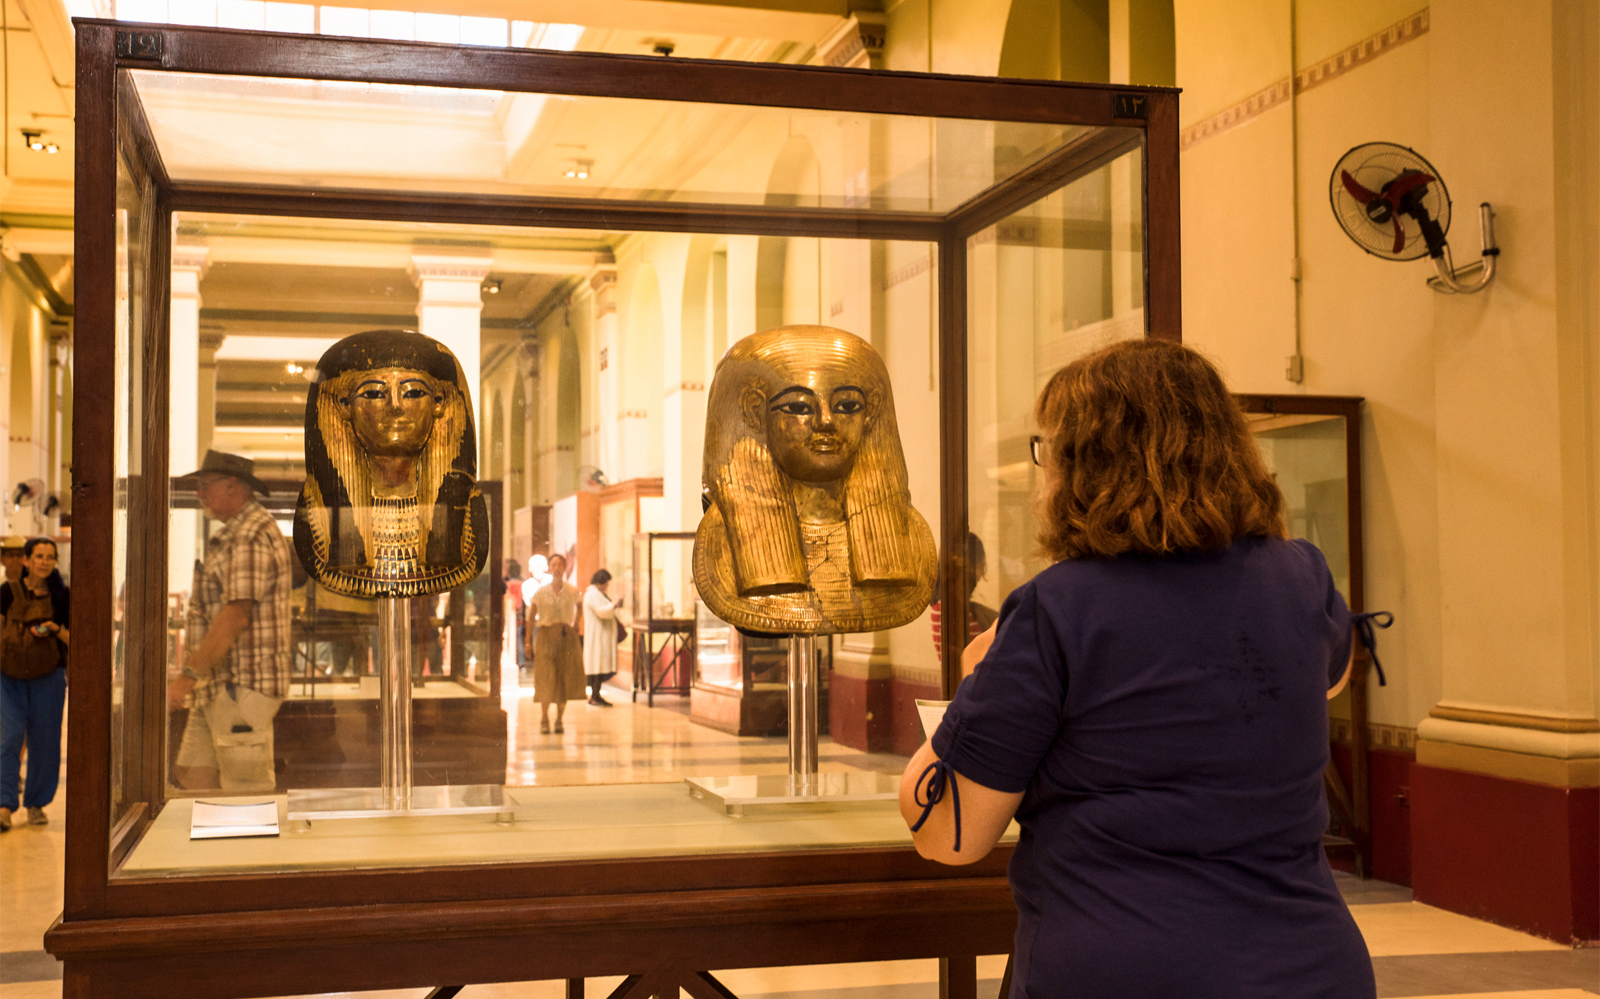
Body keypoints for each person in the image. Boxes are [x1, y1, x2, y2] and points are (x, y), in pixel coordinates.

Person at [900, 340, 1373, 999]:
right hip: (1309, 966)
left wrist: (977, 686)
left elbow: (949, 833)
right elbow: (1329, 676)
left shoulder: (1058, 607)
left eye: (1048, 450)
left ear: (1081, 462)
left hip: (1129, 966)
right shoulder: (1302, 576)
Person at [170, 451, 294, 794]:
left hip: (241, 684)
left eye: (205, 485)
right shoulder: (237, 533)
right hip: (219, 685)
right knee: (192, 774)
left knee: (245, 791)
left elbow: (236, 615)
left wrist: (187, 676)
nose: (199, 493)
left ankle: (247, 834)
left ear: (233, 486)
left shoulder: (250, 534)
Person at [0, 538, 70, 830]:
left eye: (50, 557)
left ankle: (36, 803)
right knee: (9, 737)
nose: (44, 561)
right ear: (27, 560)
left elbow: (74, 638)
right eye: (39, 556)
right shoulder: (7, 592)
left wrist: (55, 629)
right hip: (8, 675)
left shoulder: (62, 596)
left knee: (45, 740)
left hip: (48, 676)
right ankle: (4, 805)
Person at [525, 553, 583, 734]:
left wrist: (576, 623)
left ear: (565, 567)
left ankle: (559, 719)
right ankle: (544, 717)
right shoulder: (541, 592)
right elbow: (531, 617)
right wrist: (527, 642)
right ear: (549, 568)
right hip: (546, 638)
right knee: (545, 678)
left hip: (566, 639)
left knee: (563, 678)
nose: (557, 568)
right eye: (554, 565)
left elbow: (580, 606)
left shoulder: (572, 590)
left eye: (560, 565)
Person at [930, 531, 999, 659]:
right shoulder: (947, 609)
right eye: (979, 566)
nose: (980, 574)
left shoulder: (962, 607)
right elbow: (972, 658)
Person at [581, 569, 624, 706]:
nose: (607, 586)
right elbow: (602, 611)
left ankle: (596, 695)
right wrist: (614, 603)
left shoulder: (598, 594)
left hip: (601, 636)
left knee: (599, 666)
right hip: (597, 636)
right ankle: (595, 696)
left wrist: (614, 604)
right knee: (597, 667)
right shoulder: (592, 594)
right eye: (606, 583)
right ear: (601, 581)